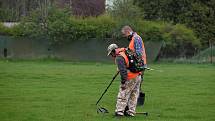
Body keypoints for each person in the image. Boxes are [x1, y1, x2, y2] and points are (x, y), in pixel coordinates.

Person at [107, 44, 141, 117]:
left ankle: (119, 112)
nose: (112, 56)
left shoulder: (119, 57)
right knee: (134, 94)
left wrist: (123, 82)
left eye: (111, 54)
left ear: (113, 51)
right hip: (138, 75)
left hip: (130, 77)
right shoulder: (126, 51)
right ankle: (131, 112)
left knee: (123, 94)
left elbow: (123, 71)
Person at [121, 25, 147, 105]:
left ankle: (135, 102)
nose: (125, 36)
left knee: (136, 84)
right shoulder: (133, 38)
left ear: (128, 32)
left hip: (139, 65)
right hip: (135, 64)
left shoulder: (136, 38)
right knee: (135, 83)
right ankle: (133, 102)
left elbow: (138, 53)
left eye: (124, 35)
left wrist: (129, 54)